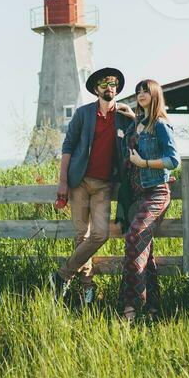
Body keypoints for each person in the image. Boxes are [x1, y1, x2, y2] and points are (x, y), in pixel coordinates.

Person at [49, 66, 134, 304]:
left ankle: (62, 275)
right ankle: (87, 288)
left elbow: (140, 135)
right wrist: (63, 182)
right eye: (105, 84)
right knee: (81, 235)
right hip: (79, 182)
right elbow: (68, 147)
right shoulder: (83, 114)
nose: (110, 88)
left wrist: (133, 116)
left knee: (99, 234)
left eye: (114, 84)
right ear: (96, 89)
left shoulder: (124, 117)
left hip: (104, 185)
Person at [118, 79, 179, 322]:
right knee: (144, 250)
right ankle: (153, 310)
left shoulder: (161, 125)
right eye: (138, 92)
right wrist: (130, 114)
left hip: (156, 192)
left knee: (134, 237)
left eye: (146, 91)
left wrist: (143, 164)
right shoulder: (138, 125)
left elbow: (173, 160)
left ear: (155, 95)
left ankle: (131, 308)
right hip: (137, 194)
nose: (141, 94)